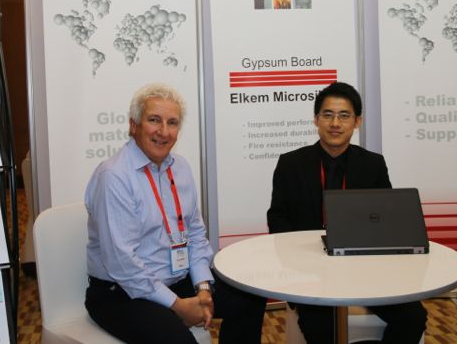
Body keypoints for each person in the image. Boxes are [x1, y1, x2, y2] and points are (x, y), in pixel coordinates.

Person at [85, 83, 266, 344]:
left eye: (172, 123)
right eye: (154, 120)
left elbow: (195, 234)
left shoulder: (180, 167)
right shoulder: (114, 177)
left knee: (248, 298)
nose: (164, 131)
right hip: (122, 292)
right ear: (133, 125)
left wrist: (203, 288)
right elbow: (122, 264)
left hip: (176, 278)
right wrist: (178, 306)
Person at [267, 81, 427, 344]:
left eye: (344, 116)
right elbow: (277, 218)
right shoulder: (291, 164)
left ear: (357, 121)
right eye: (327, 115)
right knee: (323, 330)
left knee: (413, 318)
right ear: (316, 120)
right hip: (310, 271)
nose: (335, 123)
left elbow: (387, 220)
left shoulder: (373, 164)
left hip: (364, 270)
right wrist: (304, 256)